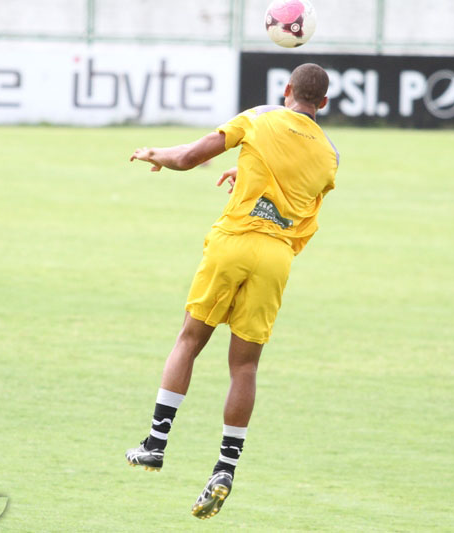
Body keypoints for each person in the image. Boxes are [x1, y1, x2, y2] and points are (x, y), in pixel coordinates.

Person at [124, 63, 339, 519]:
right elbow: (295, 198)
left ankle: (155, 443)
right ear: (322, 103)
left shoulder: (260, 116)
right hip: (276, 257)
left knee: (190, 339)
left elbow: (188, 158)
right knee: (245, 366)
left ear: (287, 91)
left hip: (233, 244)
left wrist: (155, 153)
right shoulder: (331, 154)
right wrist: (249, 181)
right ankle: (225, 468)